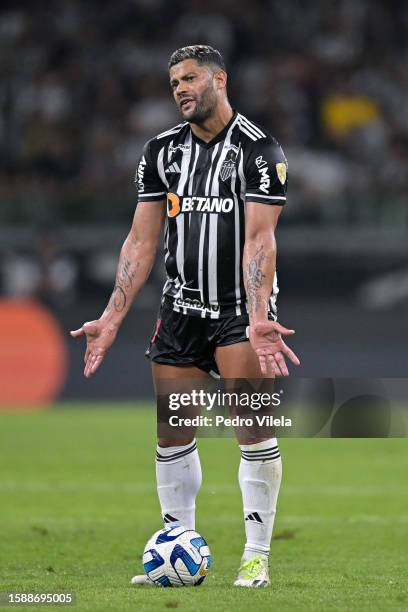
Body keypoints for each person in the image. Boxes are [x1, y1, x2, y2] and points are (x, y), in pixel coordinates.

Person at [71, 44, 300, 588]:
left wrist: (259, 314)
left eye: (190, 77)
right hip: (179, 311)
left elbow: (259, 241)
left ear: (219, 79)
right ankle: (178, 547)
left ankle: (256, 556)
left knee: (254, 432)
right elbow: (140, 242)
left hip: (238, 314)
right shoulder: (161, 151)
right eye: (174, 81)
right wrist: (111, 316)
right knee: (172, 435)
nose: (180, 88)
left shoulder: (259, 151)